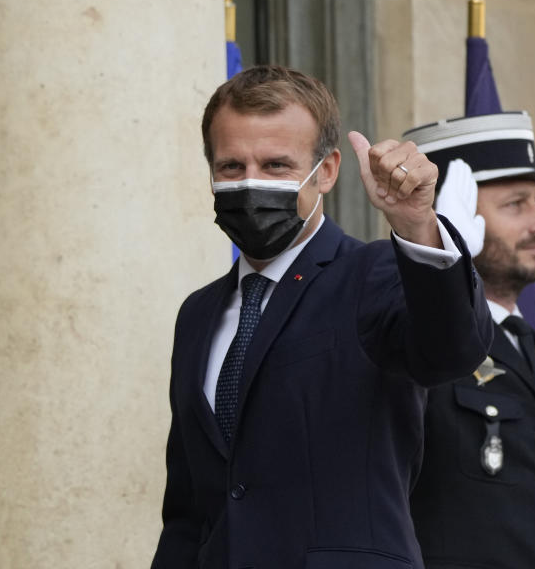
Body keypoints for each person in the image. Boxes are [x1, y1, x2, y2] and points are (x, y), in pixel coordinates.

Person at [150, 65, 492, 568]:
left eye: (275, 166)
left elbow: (451, 351)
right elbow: (187, 509)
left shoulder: (375, 274)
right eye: (230, 167)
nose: (250, 184)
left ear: (326, 171)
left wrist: (417, 225)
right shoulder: (198, 314)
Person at [406, 111, 535, 569]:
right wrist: (437, 254)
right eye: (516, 204)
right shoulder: (408, 340)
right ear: (453, 212)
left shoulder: (530, 346)